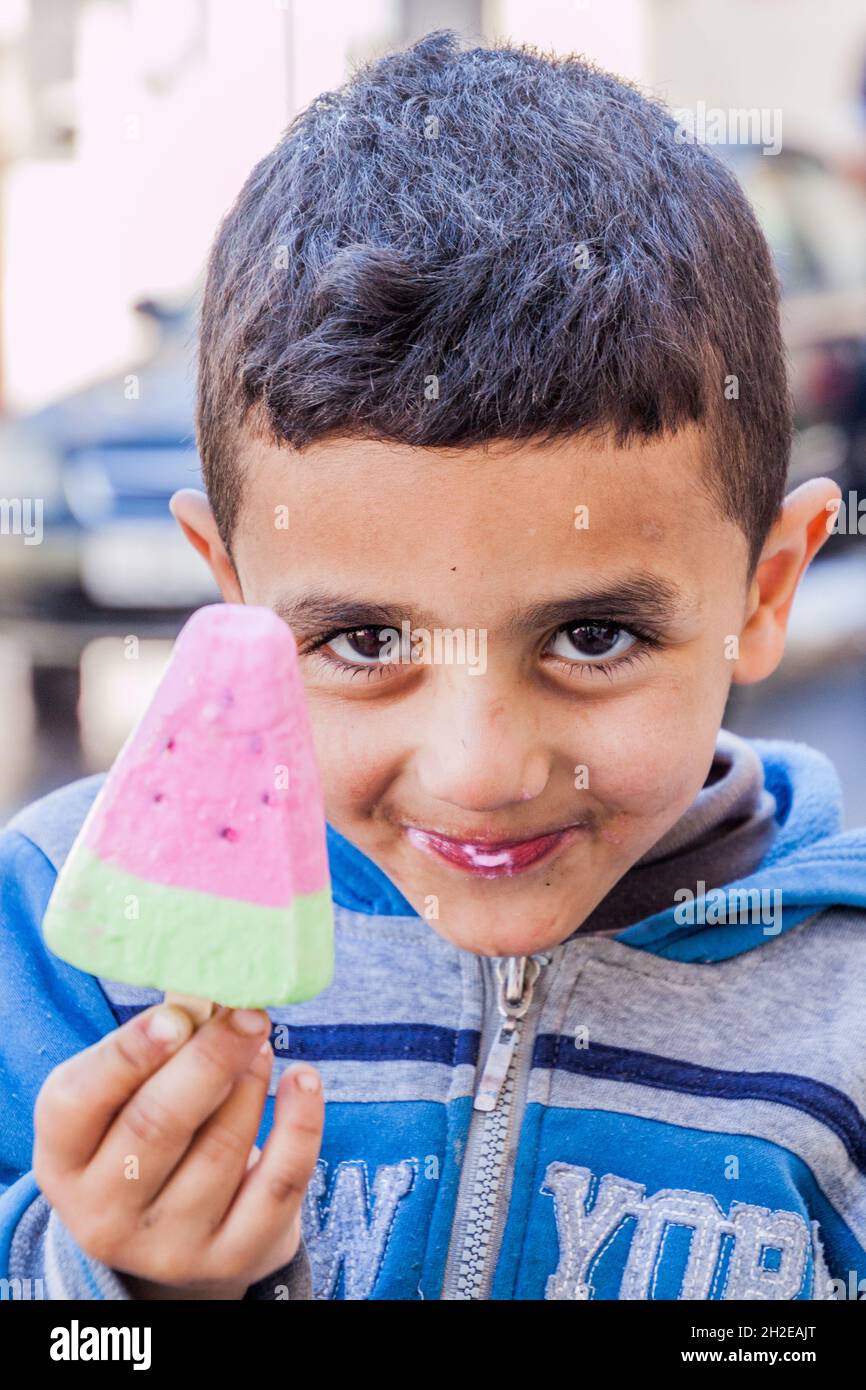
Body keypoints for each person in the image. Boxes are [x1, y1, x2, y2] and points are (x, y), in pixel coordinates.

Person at [2, 30, 865, 1302]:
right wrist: (122, 1289)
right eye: (363, 640)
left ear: (764, 589)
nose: (477, 772)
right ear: (228, 594)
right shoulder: (68, 938)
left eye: (591, 637)